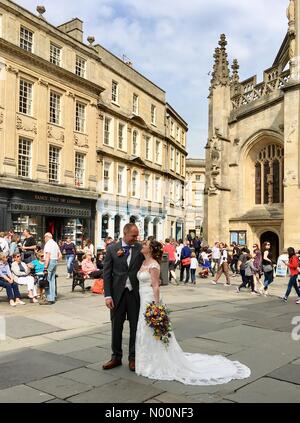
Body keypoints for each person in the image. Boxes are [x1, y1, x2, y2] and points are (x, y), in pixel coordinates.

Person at [135, 239, 251, 384]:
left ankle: (157, 361)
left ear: (150, 249)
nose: (142, 246)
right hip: (142, 298)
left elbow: (156, 286)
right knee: (145, 329)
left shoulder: (153, 264)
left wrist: (157, 307)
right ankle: (147, 360)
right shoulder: (144, 262)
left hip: (150, 299)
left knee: (153, 329)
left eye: (145, 245)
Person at [102, 223, 144, 372]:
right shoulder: (112, 248)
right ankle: (116, 357)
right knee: (116, 327)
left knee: (135, 327)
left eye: (137, 235)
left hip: (134, 294)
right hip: (117, 294)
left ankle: (133, 358)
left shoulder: (140, 248)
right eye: (133, 235)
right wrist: (108, 295)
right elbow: (106, 274)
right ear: (125, 234)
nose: (136, 238)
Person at [42, 232, 61, 305]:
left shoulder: (48, 244)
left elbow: (47, 256)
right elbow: (60, 255)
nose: (44, 239)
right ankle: (53, 296)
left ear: (47, 237)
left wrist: (45, 267)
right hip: (54, 261)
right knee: (52, 280)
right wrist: (55, 260)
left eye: (44, 237)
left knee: (48, 280)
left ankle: (49, 298)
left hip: (50, 261)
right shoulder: (55, 243)